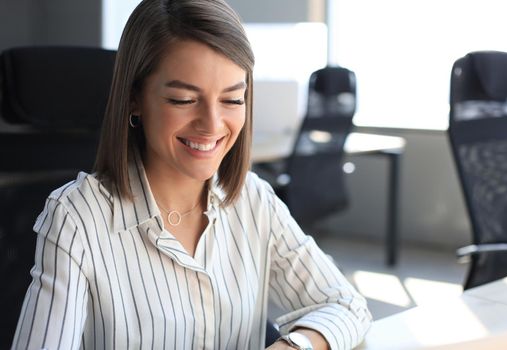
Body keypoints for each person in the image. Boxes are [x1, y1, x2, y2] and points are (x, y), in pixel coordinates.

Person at [11, 0, 372, 349]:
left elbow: (347, 306)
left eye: (232, 99)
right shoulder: (77, 217)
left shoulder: (253, 199)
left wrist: (295, 345)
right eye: (184, 100)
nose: (212, 125)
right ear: (134, 99)